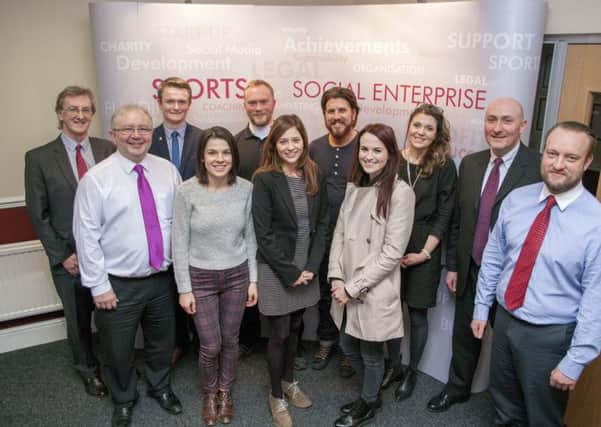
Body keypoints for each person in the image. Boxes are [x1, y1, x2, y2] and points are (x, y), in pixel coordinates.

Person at [472, 121, 601, 426]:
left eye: (571, 158)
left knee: (543, 418)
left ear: (587, 162)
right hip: (503, 321)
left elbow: (596, 300)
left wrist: (576, 359)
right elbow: (493, 258)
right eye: (552, 153)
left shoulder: (596, 223)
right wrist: (481, 307)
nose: (558, 164)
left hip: (551, 337)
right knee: (504, 408)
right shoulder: (517, 199)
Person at [427, 97, 541, 412]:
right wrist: (452, 264)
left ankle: (510, 407)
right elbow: (459, 220)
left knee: (508, 346)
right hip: (470, 268)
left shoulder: (538, 167)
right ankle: (457, 388)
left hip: (512, 276)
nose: (497, 127)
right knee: (464, 337)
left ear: (523, 125)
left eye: (506, 120)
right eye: (491, 120)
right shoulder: (472, 163)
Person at [73, 105, 183, 427]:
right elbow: (86, 236)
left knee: (161, 342)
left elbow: (178, 223)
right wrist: (99, 285)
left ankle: (160, 388)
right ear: (113, 134)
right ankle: (123, 398)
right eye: (127, 129)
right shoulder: (96, 179)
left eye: (143, 129)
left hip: (162, 279)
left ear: (152, 133)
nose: (136, 135)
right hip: (117, 285)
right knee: (118, 350)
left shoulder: (167, 171)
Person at [24, 86, 114, 398]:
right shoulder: (38, 158)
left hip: (108, 253)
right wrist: (63, 255)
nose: (79, 115)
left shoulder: (107, 150)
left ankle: (116, 367)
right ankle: (89, 372)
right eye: (72, 109)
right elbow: (39, 214)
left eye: (85, 109)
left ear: (92, 114)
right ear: (60, 114)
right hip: (69, 258)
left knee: (111, 315)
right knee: (78, 319)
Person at [329, 123, 415, 427]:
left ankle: (367, 401)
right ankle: (371, 393)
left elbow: (392, 252)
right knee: (347, 343)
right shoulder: (354, 188)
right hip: (347, 284)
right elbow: (339, 234)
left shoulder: (401, 193)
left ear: (390, 154)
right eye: (364, 149)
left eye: (377, 150)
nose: (369, 155)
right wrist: (336, 276)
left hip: (373, 287)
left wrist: (353, 287)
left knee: (370, 351)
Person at [172, 126, 258, 426]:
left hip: (237, 275)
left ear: (233, 157)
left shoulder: (246, 188)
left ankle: (225, 391)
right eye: (212, 153)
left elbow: (250, 236)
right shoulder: (186, 191)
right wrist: (184, 288)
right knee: (210, 344)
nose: (219, 158)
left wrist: (253, 279)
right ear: (202, 157)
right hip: (200, 278)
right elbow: (179, 242)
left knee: (231, 340)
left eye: (225, 152)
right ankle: (209, 393)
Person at [252, 114, 329, 427]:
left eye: (295, 139)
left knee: (297, 327)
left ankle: (289, 381)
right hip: (276, 267)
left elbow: (322, 224)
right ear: (274, 144)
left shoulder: (313, 173)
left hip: (306, 267)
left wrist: (310, 267)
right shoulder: (265, 178)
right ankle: (276, 395)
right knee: (279, 332)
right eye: (283, 140)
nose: (290, 146)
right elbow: (263, 232)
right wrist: (290, 271)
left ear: (304, 141)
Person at [382, 104, 457, 401]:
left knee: (416, 315)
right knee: (389, 312)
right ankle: (393, 365)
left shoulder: (444, 166)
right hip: (391, 245)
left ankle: (411, 372)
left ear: (437, 134)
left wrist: (425, 254)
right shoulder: (393, 160)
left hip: (425, 247)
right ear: (408, 126)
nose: (421, 132)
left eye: (429, 128)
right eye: (417, 125)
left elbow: (445, 214)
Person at [150, 76, 204, 364]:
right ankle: (178, 342)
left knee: (197, 287)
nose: (176, 106)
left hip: (198, 228)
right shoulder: (146, 137)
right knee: (169, 290)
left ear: (189, 104)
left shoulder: (203, 138)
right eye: (170, 100)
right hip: (159, 229)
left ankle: (202, 344)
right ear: (159, 102)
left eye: (182, 101)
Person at [309, 87, 360, 377]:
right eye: (331, 111)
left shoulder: (366, 144)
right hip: (324, 236)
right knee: (325, 294)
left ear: (353, 113)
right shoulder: (314, 147)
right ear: (325, 115)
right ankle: (326, 342)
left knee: (354, 292)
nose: (337, 116)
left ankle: (349, 349)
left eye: (342, 110)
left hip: (357, 238)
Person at [235, 79, 277, 358]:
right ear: (245, 105)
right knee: (245, 284)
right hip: (245, 230)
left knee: (280, 285)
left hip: (281, 231)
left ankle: (283, 342)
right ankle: (247, 339)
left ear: (274, 103)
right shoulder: (235, 143)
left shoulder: (289, 139)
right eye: (253, 102)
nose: (259, 107)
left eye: (264, 101)